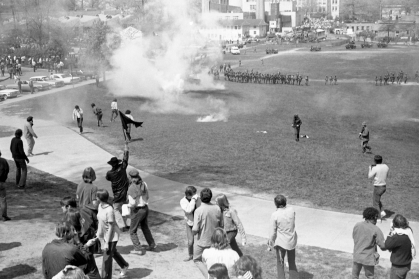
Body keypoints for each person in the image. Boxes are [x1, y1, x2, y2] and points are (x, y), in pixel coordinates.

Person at [96, 189, 129, 279]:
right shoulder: (100, 206)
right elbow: (100, 221)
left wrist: (106, 242)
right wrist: (98, 234)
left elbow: (111, 227)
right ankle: (124, 265)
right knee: (112, 252)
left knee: (106, 259)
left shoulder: (109, 210)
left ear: (99, 198)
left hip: (111, 237)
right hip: (103, 236)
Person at [193, 188, 223, 278]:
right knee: (213, 261)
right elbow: (221, 225)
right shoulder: (217, 208)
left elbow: (195, 229)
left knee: (197, 259)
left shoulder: (198, 211)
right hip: (215, 241)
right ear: (211, 197)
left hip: (202, 241)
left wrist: (193, 232)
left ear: (201, 197)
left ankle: (209, 276)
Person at [268, 194, 298, 279]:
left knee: (280, 263)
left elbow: (272, 232)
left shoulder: (275, 215)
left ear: (276, 204)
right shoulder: (292, 210)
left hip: (281, 243)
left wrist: (270, 243)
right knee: (292, 262)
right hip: (291, 241)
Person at [127, 169, 156, 255]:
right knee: (144, 227)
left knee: (132, 231)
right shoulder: (144, 184)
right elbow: (147, 196)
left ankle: (137, 248)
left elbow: (132, 203)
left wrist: (127, 206)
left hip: (137, 210)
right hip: (145, 208)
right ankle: (152, 244)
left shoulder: (131, 188)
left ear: (131, 178)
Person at [352, 207, 386, 279]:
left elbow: (354, 237)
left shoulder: (357, 225)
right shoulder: (376, 229)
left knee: (354, 276)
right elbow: (383, 246)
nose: (377, 219)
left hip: (357, 255)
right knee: (370, 276)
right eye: (377, 217)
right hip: (368, 258)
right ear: (374, 217)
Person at [105, 142, 130, 231]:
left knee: (116, 209)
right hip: (125, 192)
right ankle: (128, 224)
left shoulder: (109, 173)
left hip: (117, 194)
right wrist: (126, 149)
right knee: (126, 207)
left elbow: (107, 178)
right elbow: (126, 159)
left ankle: (122, 225)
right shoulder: (122, 168)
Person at [385, 214, 415, 279]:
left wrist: (390, 232)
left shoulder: (397, 237)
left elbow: (387, 245)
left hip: (398, 267)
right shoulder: (409, 230)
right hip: (406, 264)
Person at [180, 185, 201, 261]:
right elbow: (189, 210)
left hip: (199, 223)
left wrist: (195, 199)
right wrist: (193, 200)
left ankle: (202, 255)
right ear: (188, 195)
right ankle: (190, 255)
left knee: (202, 240)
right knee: (190, 241)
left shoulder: (197, 199)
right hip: (190, 223)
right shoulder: (183, 201)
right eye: (194, 194)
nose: (196, 195)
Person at [368, 155, 389, 220]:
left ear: (375, 161)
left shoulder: (375, 168)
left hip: (378, 187)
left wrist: (370, 168)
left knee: (375, 203)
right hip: (384, 187)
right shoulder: (386, 166)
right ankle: (382, 213)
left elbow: (369, 176)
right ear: (381, 160)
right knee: (377, 200)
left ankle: (379, 217)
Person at [0, 150, 10, 221]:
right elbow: (7, 170)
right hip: (2, 182)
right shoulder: (3, 161)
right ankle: (4, 216)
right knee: (3, 200)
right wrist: (4, 177)